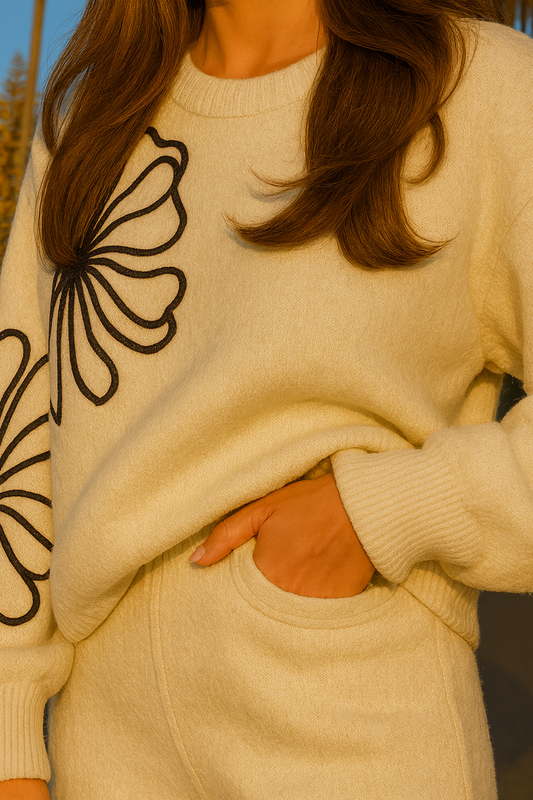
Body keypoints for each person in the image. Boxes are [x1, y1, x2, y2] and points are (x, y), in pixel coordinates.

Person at [1, 0, 532, 796]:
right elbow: (19, 431)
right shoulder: (92, 111)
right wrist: (11, 741)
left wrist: (381, 512)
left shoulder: (478, 87)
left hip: (348, 734)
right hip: (104, 752)